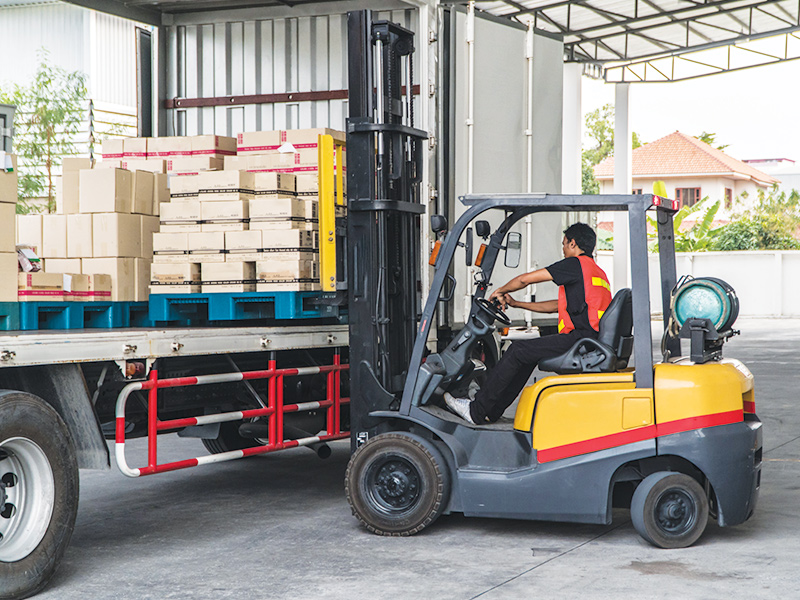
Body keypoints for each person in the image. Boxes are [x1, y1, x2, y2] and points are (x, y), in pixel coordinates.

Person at [444, 222, 612, 425]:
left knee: (517, 350)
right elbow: (557, 306)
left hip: (581, 339)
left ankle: (476, 410)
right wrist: (516, 303)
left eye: (564, 244)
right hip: (589, 339)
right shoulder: (596, 272)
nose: (563, 249)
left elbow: (525, 280)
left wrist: (501, 291)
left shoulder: (575, 264)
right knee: (525, 355)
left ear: (573, 243)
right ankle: (490, 412)